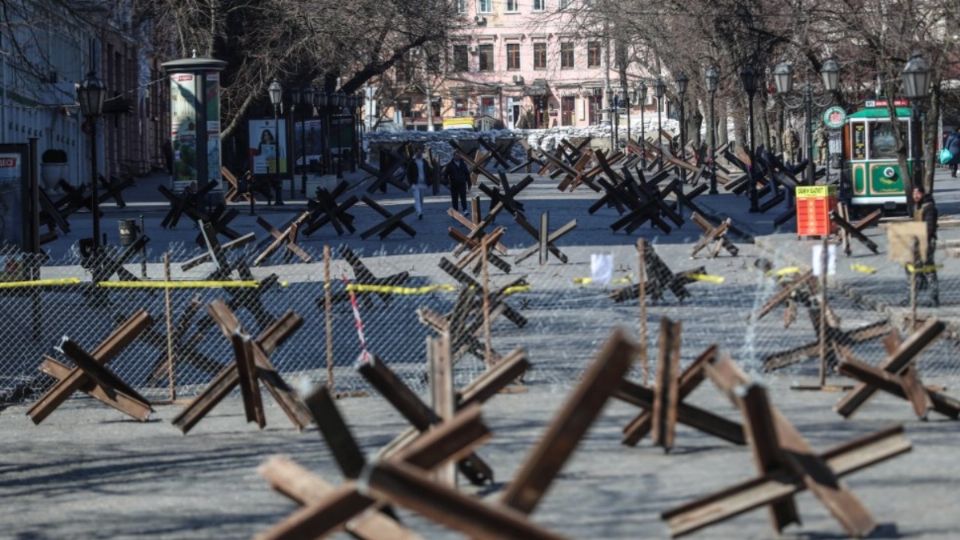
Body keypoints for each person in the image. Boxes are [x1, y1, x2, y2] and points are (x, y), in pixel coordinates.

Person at [904, 186, 939, 306]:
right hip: (917, 242)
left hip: (926, 243)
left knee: (928, 270)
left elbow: (929, 228)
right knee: (912, 269)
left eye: (917, 193)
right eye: (914, 193)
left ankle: (932, 299)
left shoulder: (929, 207)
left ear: (923, 194)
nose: (915, 196)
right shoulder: (917, 206)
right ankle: (912, 298)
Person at [406, 148, 432, 219]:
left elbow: (429, 172)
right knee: (417, 198)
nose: (419, 154)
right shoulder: (412, 162)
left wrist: (429, 182)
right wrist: (411, 183)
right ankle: (419, 212)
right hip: (415, 184)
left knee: (421, 199)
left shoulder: (425, 162)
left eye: (420, 153)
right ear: (416, 153)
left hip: (423, 184)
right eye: (418, 153)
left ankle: (420, 210)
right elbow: (408, 173)